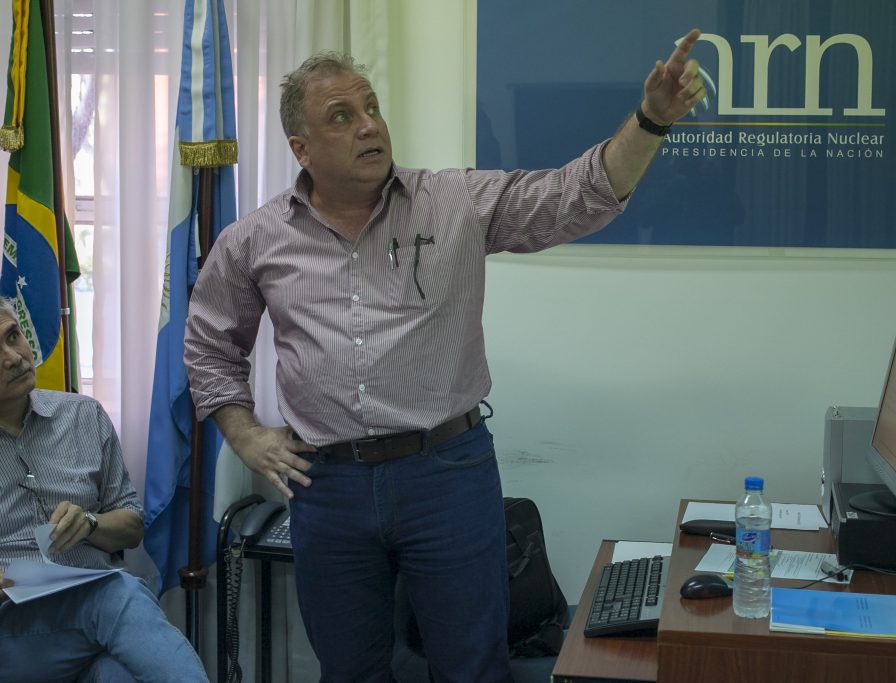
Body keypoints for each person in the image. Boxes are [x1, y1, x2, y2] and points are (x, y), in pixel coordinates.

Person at [184, 30, 706, 682]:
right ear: (302, 148)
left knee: (472, 667)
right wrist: (243, 433)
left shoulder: (454, 202)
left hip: (446, 477)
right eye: (341, 117)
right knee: (349, 671)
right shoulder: (255, 240)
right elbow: (209, 342)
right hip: (329, 485)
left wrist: (651, 118)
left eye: (371, 107)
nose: (368, 125)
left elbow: (576, 196)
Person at [0, 291, 209, 683]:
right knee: (117, 594)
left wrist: (90, 523)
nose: (13, 357)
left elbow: (131, 527)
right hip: (4, 629)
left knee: (116, 672)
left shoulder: (84, 416)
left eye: (13, 336)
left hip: (95, 610)